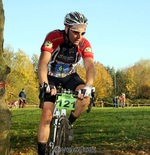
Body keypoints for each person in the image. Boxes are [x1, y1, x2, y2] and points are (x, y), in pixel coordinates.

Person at [37, 11, 95, 155]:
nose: (79, 37)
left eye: (83, 33)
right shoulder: (53, 37)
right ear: (67, 28)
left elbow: (90, 66)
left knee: (85, 98)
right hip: (51, 76)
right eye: (75, 32)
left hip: (70, 76)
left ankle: (68, 123)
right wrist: (45, 84)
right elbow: (43, 63)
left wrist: (88, 86)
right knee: (47, 115)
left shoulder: (84, 43)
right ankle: (42, 151)